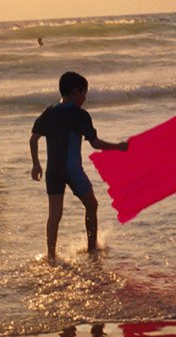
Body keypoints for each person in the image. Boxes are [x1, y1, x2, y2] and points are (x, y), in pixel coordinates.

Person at [30, 71, 128, 262]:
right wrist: (118, 147)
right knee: (92, 205)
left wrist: (36, 164)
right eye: (84, 93)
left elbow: (33, 139)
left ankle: (51, 255)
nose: (85, 97)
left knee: (54, 214)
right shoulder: (80, 115)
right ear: (75, 92)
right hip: (72, 170)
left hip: (53, 171)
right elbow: (95, 143)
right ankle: (92, 249)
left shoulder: (49, 112)